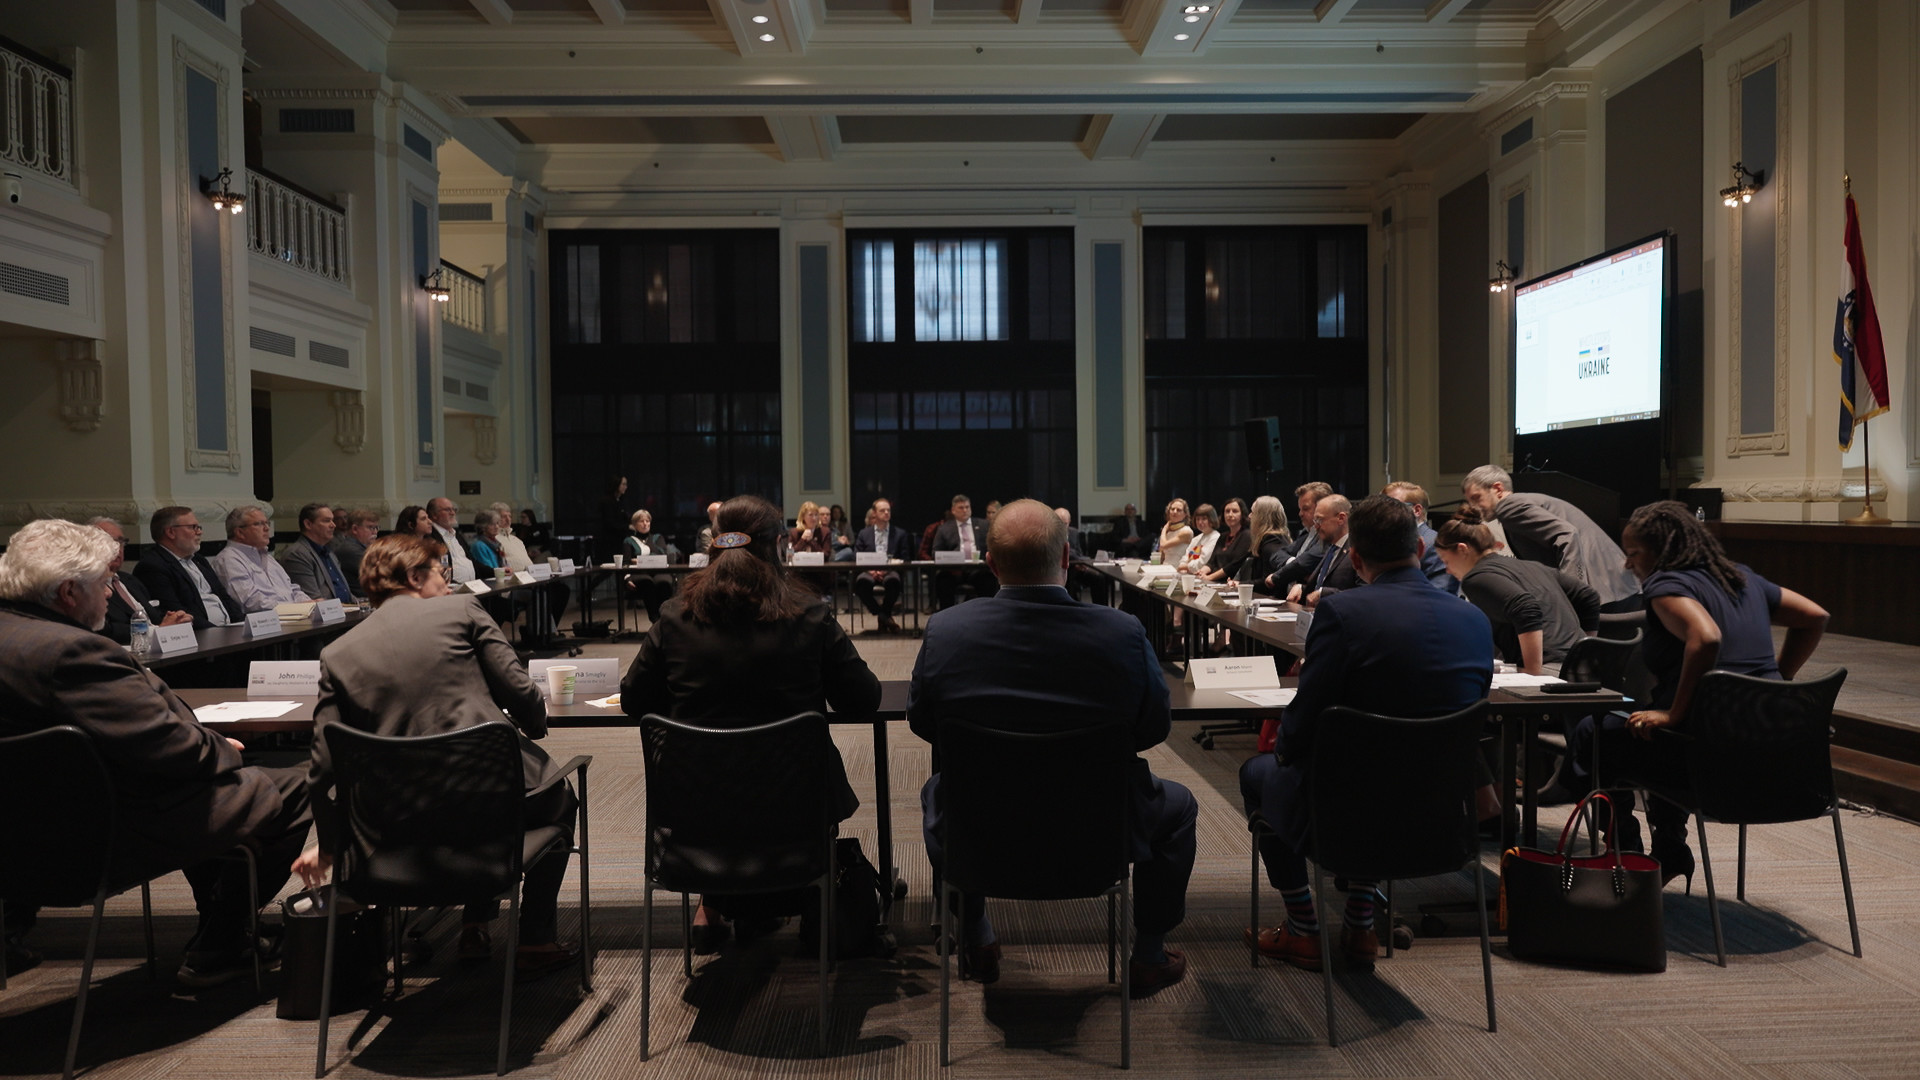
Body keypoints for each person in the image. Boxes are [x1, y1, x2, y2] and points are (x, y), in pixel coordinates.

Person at [0, 519, 311, 987]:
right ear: (68, 592)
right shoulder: (74, 653)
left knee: (218, 790)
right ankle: (221, 941)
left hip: (22, 834)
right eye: (105, 583)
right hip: (96, 842)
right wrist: (221, 748)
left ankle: (222, 925)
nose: (112, 593)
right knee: (293, 785)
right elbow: (172, 748)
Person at [909, 499, 1196, 995]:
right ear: (1067, 558)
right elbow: (1153, 728)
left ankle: (977, 934)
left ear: (991, 565)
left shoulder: (946, 631)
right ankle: (1149, 955)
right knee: (1181, 807)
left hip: (984, 827)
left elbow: (923, 722)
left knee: (940, 794)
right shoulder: (1122, 632)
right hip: (1099, 829)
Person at [294, 533, 580, 977]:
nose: (447, 584)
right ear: (414, 576)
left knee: (466, 803)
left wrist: (331, 846)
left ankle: (475, 923)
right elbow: (520, 691)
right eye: (441, 575)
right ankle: (536, 939)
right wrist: (534, 726)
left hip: (398, 818)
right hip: (492, 797)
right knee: (559, 796)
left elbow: (323, 766)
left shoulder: (337, 653)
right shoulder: (461, 610)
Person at [1242, 495, 1494, 971]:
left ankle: (1303, 929)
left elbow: (1306, 715)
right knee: (1381, 770)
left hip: (1349, 810)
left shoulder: (1344, 615)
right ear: (1420, 553)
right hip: (1442, 816)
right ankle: (1359, 926)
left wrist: (1285, 752)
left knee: (1260, 774)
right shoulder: (1475, 620)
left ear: (1355, 559)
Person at [620, 495, 880, 950]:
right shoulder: (809, 614)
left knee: (721, 779)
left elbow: (633, 700)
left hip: (698, 808)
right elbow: (863, 699)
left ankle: (713, 903)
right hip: (796, 807)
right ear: (779, 545)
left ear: (715, 546)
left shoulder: (674, 615)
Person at [1572, 501, 1829, 889]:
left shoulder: (1665, 585)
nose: (1628, 564)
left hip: (1709, 761)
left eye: (1634, 553)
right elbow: (1815, 617)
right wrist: (1779, 679)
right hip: (1774, 758)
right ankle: (1669, 845)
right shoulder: (1741, 577)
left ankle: (1626, 850)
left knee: (1593, 731)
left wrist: (1674, 714)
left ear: (1661, 551)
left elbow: (1705, 636)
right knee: (1645, 725)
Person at [1435, 508, 1600, 674]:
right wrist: (1583, 648)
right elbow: (1588, 596)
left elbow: (1525, 608)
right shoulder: (1531, 566)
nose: (1447, 570)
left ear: (1463, 549)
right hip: (1585, 668)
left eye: (1446, 561)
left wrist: (1531, 674)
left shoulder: (1476, 578)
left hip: (1551, 671)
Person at [1461, 464, 1640, 606]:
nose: (1474, 506)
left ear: (1498, 489)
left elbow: (1567, 535)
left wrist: (1574, 596)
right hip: (1619, 587)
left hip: (1605, 592)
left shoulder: (1510, 506)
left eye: (1476, 498)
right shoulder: (1523, 503)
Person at [135, 506, 243, 629]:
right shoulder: (153, 567)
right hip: (200, 636)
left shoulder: (199, 560)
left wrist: (241, 624)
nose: (199, 532)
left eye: (199, 527)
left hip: (227, 631)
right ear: (171, 532)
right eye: (193, 527)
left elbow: (223, 596)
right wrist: (218, 632)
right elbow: (178, 613)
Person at [90, 517, 190, 644]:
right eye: (109, 542)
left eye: (121, 542)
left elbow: (154, 616)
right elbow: (105, 630)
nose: (117, 548)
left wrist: (175, 619)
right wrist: (157, 631)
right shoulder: (87, 586)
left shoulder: (129, 580)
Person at [212, 505, 311, 612]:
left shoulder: (268, 558)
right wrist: (294, 608)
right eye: (258, 524)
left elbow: (292, 589)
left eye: (267, 523)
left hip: (292, 615)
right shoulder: (229, 560)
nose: (267, 528)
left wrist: (308, 603)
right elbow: (250, 603)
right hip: (266, 623)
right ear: (240, 532)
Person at [1382, 481, 1458, 596]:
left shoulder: (1436, 544)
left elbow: (1439, 594)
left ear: (1417, 510)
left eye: (1392, 506)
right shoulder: (1385, 542)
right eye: (1382, 506)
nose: (1383, 512)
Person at [1282, 494, 1359, 607]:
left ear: (1341, 518)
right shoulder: (1331, 548)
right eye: (1315, 520)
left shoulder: (1358, 550)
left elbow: (1364, 593)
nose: (1316, 526)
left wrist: (1323, 593)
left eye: (1319, 520)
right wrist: (1301, 588)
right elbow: (1319, 587)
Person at [854, 496, 916, 633]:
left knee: (893, 581)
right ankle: (884, 616)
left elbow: (905, 557)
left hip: (890, 570)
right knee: (861, 583)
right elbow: (857, 556)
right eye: (882, 510)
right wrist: (871, 570)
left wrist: (887, 569)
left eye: (888, 510)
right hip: (868, 570)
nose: (887, 513)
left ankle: (883, 616)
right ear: (874, 513)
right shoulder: (864, 534)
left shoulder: (900, 534)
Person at [279, 503, 358, 604]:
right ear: (308, 524)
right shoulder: (297, 555)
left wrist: (360, 604)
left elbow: (345, 592)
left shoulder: (329, 552)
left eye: (332, 520)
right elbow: (313, 599)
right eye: (326, 521)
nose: (333, 525)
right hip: (328, 616)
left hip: (347, 611)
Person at [1264, 482, 1333, 593]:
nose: (1300, 514)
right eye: (1300, 509)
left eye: (1305, 509)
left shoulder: (1329, 535)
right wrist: (1293, 561)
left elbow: (1305, 562)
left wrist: (1276, 577)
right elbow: (1277, 555)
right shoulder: (1306, 533)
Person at [931, 494, 996, 609]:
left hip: (977, 570)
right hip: (954, 571)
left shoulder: (984, 525)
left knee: (989, 579)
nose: (965, 510)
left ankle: (988, 613)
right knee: (942, 580)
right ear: (953, 510)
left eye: (967, 507)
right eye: (961, 508)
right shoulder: (944, 529)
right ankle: (947, 617)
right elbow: (935, 553)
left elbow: (993, 547)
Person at [623, 508, 676, 622]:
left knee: (663, 582)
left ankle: (664, 618)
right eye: (641, 521)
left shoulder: (657, 537)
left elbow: (662, 555)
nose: (645, 524)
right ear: (634, 524)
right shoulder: (629, 541)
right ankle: (655, 619)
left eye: (647, 521)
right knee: (647, 583)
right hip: (639, 573)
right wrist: (627, 579)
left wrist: (639, 559)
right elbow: (626, 562)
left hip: (659, 571)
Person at [1057, 506, 1113, 606]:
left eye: (1064, 523)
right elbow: (1063, 551)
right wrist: (1083, 560)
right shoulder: (1050, 533)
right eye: (1059, 523)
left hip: (1077, 567)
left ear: (1069, 521)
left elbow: (1078, 552)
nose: (1062, 526)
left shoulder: (1073, 532)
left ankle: (1101, 608)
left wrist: (1081, 563)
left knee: (1099, 577)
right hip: (1059, 570)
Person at [1244, 495, 1296, 597]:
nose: (1249, 516)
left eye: (1253, 512)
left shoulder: (1272, 542)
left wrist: (1242, 585)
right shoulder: (1273, 538)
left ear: (1262, 517)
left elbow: (1268, 582)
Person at [788, 501, 835, 601]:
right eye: (810, 515)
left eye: (816, 515)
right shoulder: (794, 532)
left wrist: (812, 542)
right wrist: (803, 540)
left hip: (819, 572)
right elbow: (790, 554)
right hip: (800, 573)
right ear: (803, 517)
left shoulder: (824, 531)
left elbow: (826, 554)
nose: (814, 518)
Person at [1199, 497, 1252, 584]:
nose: (1230, 514)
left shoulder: (1247, 535)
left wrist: (1210, 577)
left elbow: (1233, 566)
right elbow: (1212, 561)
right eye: (1227, 511)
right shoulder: (1223, 536)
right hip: (1214, 581)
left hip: (1230, 583)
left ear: (1242, 514)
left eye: (1235, 511)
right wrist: (1203, 571)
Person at [426, 497, 476, 584]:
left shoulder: (456, 535)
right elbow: (441, 567)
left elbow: (472, 561)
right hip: (450, 589)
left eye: (453, 509)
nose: (453, 513)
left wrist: (494, 571)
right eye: (447, 510)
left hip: (472, 586)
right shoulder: (430, 537)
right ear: (434, 515)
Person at [330, 508, 380, 588]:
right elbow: (380, 573)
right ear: (355, 529)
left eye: (376, 527)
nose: (375, 532)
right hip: (360, 598)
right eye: (371, 527)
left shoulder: (363, 547)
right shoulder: (349, 550)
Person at [595, 475, 631, 563]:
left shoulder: (619, 501)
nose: (625, 487)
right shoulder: (607, 501)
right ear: (616, 484)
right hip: (608, 542)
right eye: (623, 484)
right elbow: (610, 522)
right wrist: (627, 527)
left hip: (617, 540)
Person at [1177, 503, 1220, 573]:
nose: (1200, 522)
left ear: (1212, 520)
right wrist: (1182, 565)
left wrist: (1185, 567)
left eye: (1204, 519)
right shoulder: (1196, 539)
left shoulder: (1215, 537)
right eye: (1198, 519)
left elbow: (1203, 561)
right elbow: (1186, 556)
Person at [1156, 498, 1194, 565]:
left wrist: (1164, 529)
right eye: (1172, 509)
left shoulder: (1186, 531)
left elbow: (1163, 545)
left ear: (1185, 514)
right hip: (1165, 567)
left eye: (1179, 510)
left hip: (1178, 569)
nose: (1175, 512)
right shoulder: (1168, 531)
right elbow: (1161, 554)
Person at [469, 508, 507, 574]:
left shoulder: (496, 543)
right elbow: (488, 571)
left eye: (497, 523)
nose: (497, 527)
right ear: (482, 527)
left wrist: (507, 570)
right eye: (492, 524)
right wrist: (503, 571)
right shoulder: (478, 545)